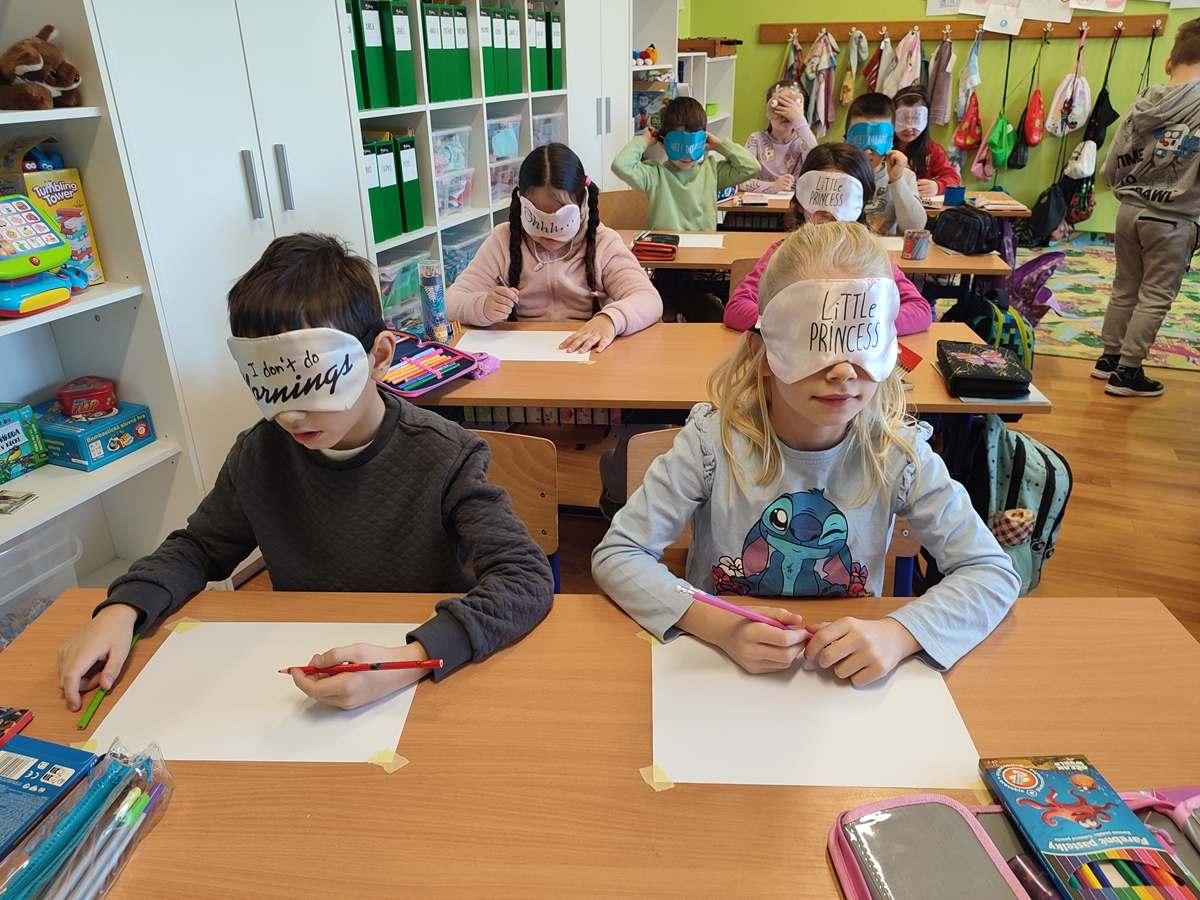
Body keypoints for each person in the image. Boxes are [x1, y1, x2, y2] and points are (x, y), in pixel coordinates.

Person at [58, 234, 554, 711]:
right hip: (304, 671)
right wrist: (123, 609)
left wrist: (413, 659)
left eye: (311, 383)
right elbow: (200, 547)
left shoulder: (447, 454)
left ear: (379, 357)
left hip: (418, 673)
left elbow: (524, 578)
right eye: (272, 387)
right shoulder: (260, 453)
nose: (290, 415)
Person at [592, 222, 1019, 685]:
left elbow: (990, 573)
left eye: (860, 343)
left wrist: (899, 634)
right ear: (762, 352)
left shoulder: (898, 454)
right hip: (720, 672)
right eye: (816, 343)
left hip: (845, 681)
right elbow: (619, 555)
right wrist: (720, 626)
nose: (842, 371)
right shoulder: (710, 445)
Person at [445, 143, 662, 354]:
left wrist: (611, 319)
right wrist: (483, 307)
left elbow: (648, 299)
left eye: (560, 218)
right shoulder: (503, 241)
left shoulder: (602, 242)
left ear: (582, 204)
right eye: (538, 218)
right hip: (522, 356)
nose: (549, 232)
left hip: (588, 355)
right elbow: (451, 301)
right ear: (522, 205)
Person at [724, 143, 933, 336]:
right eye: (818, 196)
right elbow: (736, 307)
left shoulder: (872, 255)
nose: (827, 211)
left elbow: (920, 310)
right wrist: (797, 326)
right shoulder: (783, 253)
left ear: (860, 205)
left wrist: (862, 327)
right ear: (800, 202)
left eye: (842, 197)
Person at [1095, 17, 1200, 398]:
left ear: (1169, 62)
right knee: (1155, 295)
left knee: (1125, 286)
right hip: (1173, 220)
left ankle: (1108, 358)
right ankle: (1127, 372)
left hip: (1129, 210)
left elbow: (1111, 165)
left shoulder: (1144, 101)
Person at [610, 95, 761, 232]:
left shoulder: (712, 171)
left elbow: (751, 167)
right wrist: (644, 141)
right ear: (663, 142)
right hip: (666, 250)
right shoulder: (654, 175)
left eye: (693, 145)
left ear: (703, 141)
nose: (688, 155)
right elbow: (620, 165)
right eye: (679, 146)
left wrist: (719, 145)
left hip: (704, 249)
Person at [844, 92, 926, 235]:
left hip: (884, 248)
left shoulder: (905, 177)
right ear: (846, 139)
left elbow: (915, 228)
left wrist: (897, 180)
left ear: (890, 141)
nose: (867, 151)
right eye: (860, 140)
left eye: (877, 141)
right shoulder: (835, 173)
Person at [743, 80, 818, 194]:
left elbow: (818, 164)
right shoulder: (756, 140)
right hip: (763, 203)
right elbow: (740, 181)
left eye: (791, 106)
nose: (785, 114)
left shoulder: (803, 141)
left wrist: (799, 119)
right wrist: (773, 186)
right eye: (779, 106)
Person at [893, 84, 962, 198]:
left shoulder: (933, 150)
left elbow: (954, 178)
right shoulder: (882, 149)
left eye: (915, 120)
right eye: (903, 119)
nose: (909, 128)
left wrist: (938, 186)